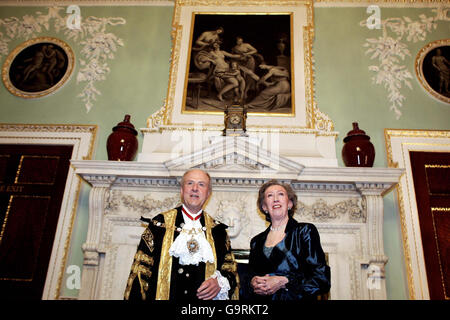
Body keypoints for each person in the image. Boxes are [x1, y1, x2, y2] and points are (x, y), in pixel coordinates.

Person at [124, 169, 239, 300]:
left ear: (208, 194)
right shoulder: (159, 225)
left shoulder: (218, 231)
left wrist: (220, 283)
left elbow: (231, 271)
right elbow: (139, 273)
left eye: (201, 184)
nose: (195, 188)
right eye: (190, 183)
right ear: (182, 190)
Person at [246, 179, 330, 300]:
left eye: (280, 194)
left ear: (290, 203)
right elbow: (250, 277)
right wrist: (252, 281)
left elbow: (322, 279)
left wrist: (284, 281)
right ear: (264, 206)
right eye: (270, 195)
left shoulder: (305, 231)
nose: (275, 199)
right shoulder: (256, 242)